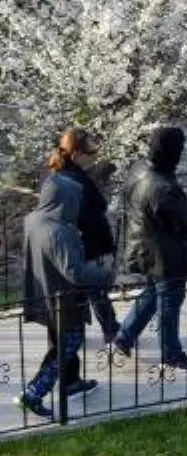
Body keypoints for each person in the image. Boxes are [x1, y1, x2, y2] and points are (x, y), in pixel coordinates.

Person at [16, 175, 113, 419]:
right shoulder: (59, 232)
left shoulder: (34, 220)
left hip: (43, 294)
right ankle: (34, 393)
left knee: (59, 346)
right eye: (75, 200)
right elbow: (75, 272)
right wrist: (105, 275)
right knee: (68, 343)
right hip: (65, 299)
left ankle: (52, 387)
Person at [109, 127, 187, 371]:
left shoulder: (138, 169)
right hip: (166, 254)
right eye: (179, 149)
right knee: (169, 300)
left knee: (153, 293)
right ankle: (171, 354)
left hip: (142, 245)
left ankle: (123, 338)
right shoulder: (163, 187)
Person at [47, 128, 120, 348]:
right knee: (95, 290)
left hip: (75, 240)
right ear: (77, 153)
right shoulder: (75, 178)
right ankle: (111, 331)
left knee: (83, 291)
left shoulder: (59, 174)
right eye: (90, 153)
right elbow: (92, 209)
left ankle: (89, 331)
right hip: (87, 241)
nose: (93, 158)